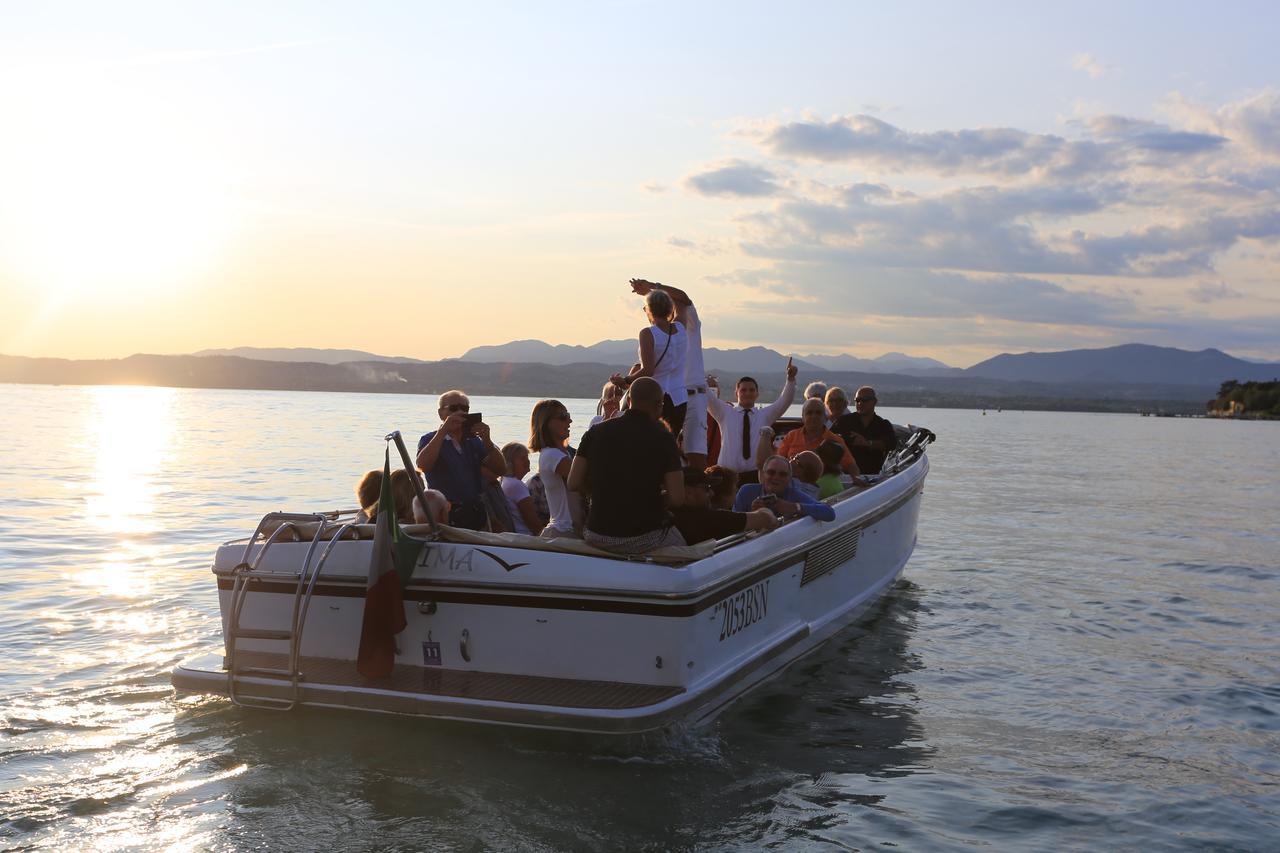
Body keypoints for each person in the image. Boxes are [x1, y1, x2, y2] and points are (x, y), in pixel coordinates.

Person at [567, 377, 686, 554]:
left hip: (596, 534)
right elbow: (677, 498)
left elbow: (573, 483)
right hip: (644, 536)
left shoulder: (595, 432)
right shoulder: (664, 437)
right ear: (659, 405)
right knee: (683, 546)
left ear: (629, 401)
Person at [629, 279, 709, 468]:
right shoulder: (657, 335)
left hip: (692, 396)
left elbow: (683, 298)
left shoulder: (687, 324)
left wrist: (653, 286)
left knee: (694, 455)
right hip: (670, 398)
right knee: (662, 450)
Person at [416, 389, 506, 530]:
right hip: (446, 512)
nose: (460, 412)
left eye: (464, 408)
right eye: (453, 408)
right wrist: (443, 430)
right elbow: (423, 465)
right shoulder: (430, 439)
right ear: (440, 413)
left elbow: (501, 469)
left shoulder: (474, 441)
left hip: (475, 509)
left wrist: (487, 441)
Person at [610, 289, 687, 439]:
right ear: (670, 309)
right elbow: (683, 302)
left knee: (647, 443)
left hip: (654, 398)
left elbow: (648, 370)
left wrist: (625, 380)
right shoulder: (681, 328)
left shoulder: (648, 333)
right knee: (669, 443)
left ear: (649, 310)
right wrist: (653, 287)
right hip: (680, 398)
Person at [707, 359, 798, 484]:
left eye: (751, 390)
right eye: (743, 390)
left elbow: (785, 401)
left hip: (755, 476)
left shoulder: (764, 415)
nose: (747, 393)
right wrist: (705, 383)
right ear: (736, 393)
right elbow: (708, 398)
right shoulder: (725, 413)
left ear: (757, 394)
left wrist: (790, 379)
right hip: (727, 475)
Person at [671, 467, 778, 545]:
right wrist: (764, 509)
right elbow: (766, 519)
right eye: (706, 488)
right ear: (688, 493)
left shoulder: (669, 516)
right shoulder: (708, 519)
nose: (712, 493)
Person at [530, 399, 581, 539]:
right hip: (562, 532)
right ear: (547, 423)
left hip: (570, 531)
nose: (569, 421)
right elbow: (584, 475)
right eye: (563, 417)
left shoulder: (565, 454)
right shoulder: (551, 455)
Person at [733, 455, 836, 522]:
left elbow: (829, 513)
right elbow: (733, 525)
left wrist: (795, 507)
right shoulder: (747, 492)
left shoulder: (793, 495)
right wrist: (752, 515)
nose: (776, 477)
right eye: (771, 472)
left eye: (782, 474)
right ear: (763, 474)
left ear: (789, 479)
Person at [777, 398, 859, 475]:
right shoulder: (791, 436)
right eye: (809, 413)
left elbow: (852, 468)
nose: (814, 416)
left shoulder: (835, 440)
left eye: (818, 413)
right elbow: (778, 462)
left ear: (824, 417)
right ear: (803, 417)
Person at [832, 385, 898, 475]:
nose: (860, 403)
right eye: (857, 400)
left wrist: (868, 443)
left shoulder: (883, 424)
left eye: (865, 400)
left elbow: (891, 444)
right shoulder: (843, 421)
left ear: (874, 402)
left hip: (873, 476)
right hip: (846, 476)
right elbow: (828, 438)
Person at [499, 442, 544, 536]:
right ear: (510, 463)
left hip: (517, 535)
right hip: (525, 537)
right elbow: (534, 524)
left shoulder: (505, 481)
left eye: (527, 458)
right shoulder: (517, 485)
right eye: (522, 459)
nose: (527, 461)